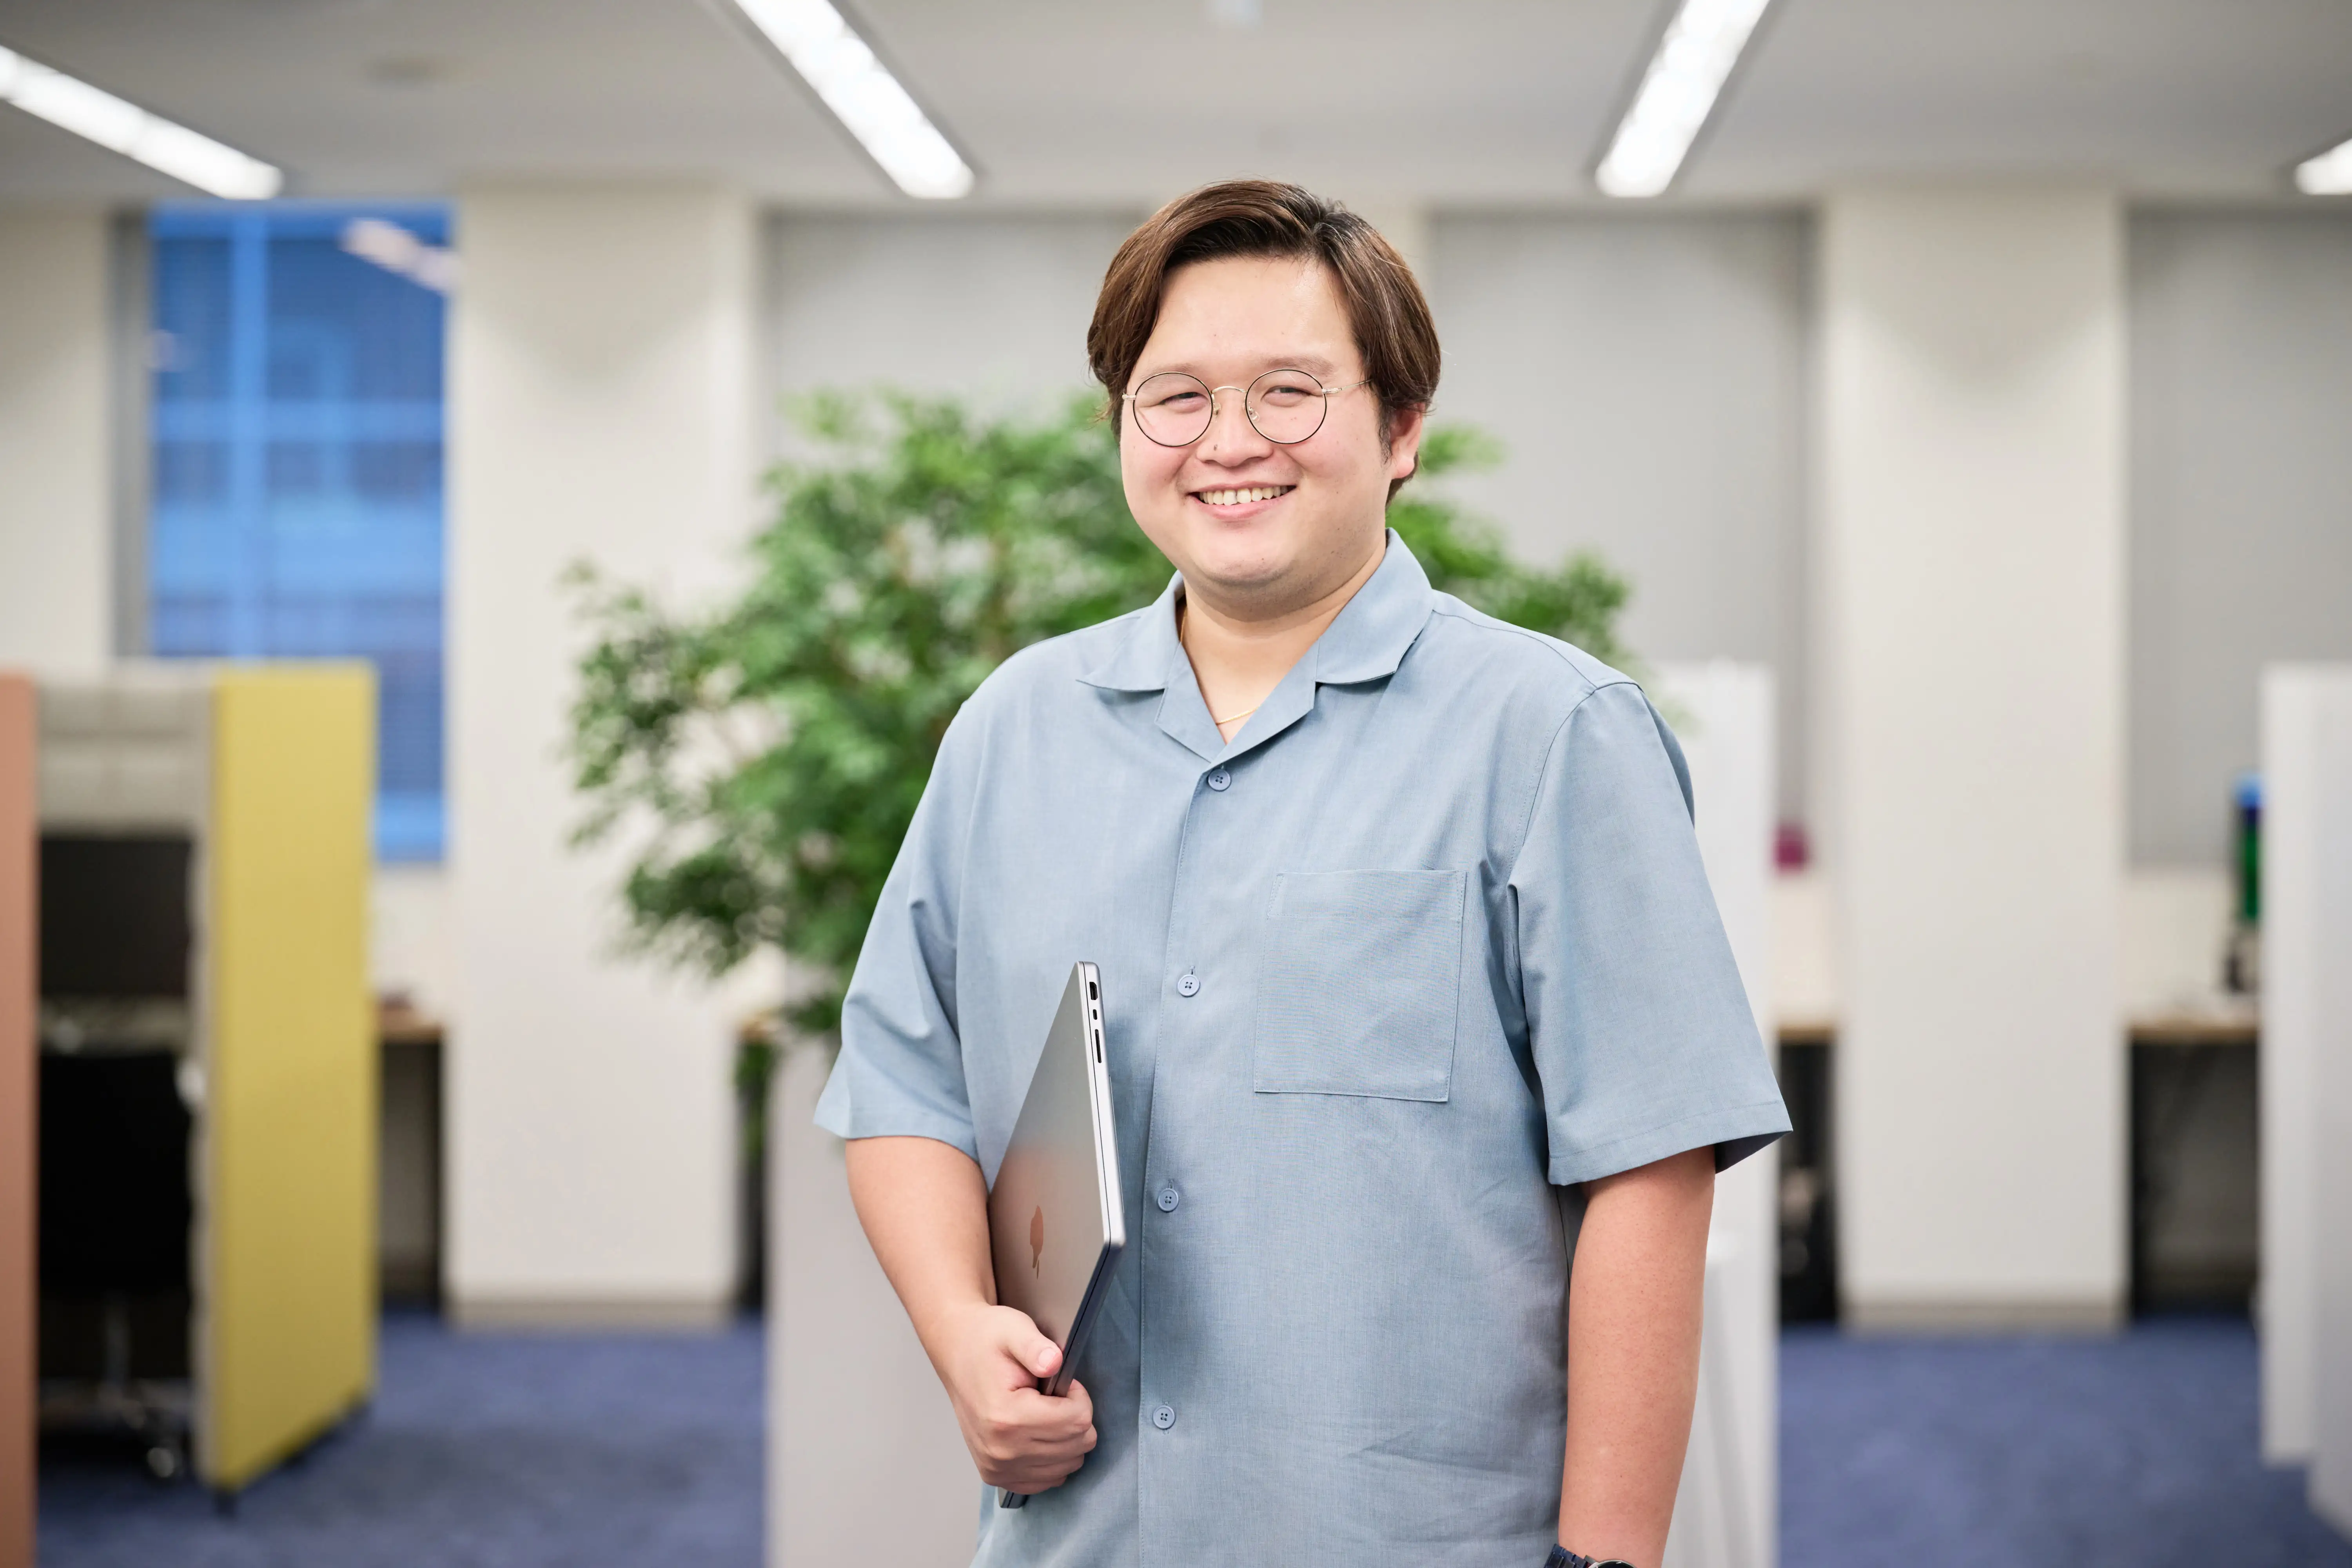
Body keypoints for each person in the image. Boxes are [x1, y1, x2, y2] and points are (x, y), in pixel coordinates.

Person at [817, 179, 1789, 1568]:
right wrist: (959, 1328)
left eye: (1289, 393)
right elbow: (899, 1081)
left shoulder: (1552, 735)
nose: (1229, 445)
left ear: (1402, 429)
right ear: (1121, 430)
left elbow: (1649, 1169)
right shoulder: (1014, 732)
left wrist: (1610, 1562)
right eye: (1175, 398)